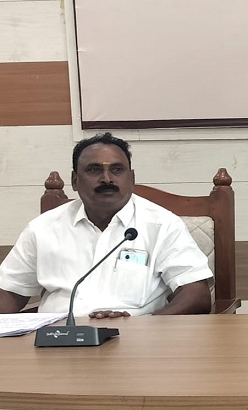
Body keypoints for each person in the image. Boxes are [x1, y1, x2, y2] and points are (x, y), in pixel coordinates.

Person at [0, 133, 213, 317]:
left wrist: (149, 325)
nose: (107, 179)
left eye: (117, 170)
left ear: (131, 178)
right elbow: (9, 292)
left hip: (137, 339)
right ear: (75, 180)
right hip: (58, 336)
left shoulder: (163, 225)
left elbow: (196, 295)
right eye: (94, 170)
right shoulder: (43, 228)